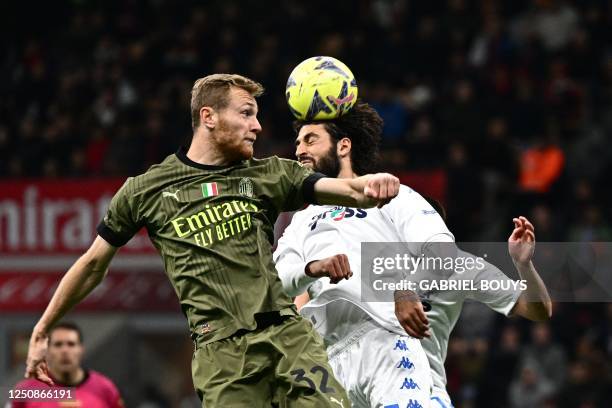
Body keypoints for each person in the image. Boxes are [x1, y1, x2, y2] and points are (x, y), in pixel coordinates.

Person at [24, 74, 400, 408]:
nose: (257, 126)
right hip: (221, 354)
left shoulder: (267, 174)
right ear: (209, 117)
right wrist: (43, 327)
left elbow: (345, 188)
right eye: (246, 113)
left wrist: (370, 186)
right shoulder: (144, 190)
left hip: (288, 337)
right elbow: (92, 265)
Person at [273, 102, 552, 408]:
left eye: (309, 139)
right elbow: (290, 295)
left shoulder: (455, 264)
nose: (298, 149)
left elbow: (536, 309)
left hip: (419, 386)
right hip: (341, 372)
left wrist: (523, 265)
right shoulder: (314, 225)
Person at [11, 322, 123, 408]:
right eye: (58, 344)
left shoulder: (105, 388)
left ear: (81, 350)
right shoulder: (27, 391)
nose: (65, 350)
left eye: (71, 344)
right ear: (48, 351)